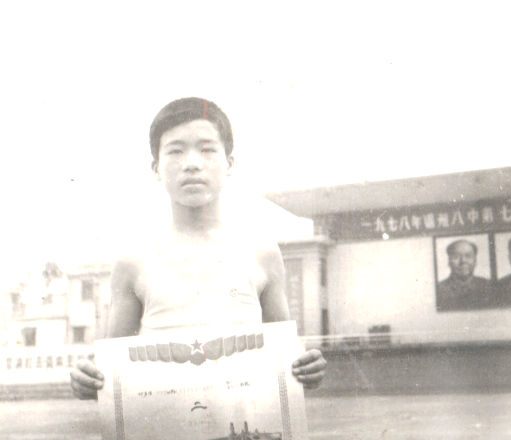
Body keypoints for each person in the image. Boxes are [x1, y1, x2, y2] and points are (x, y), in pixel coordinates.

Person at [70, 97, 327, 400]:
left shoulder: (261, 252)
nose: (192, 163)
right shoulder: (134, 260)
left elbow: (286, 354)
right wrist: (88, 381)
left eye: (207, 149)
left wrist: (307, 368)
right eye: (175, 151)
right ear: (156, 167)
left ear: (229, 163)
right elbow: (110, 371)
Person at [436, 239, 492, 311]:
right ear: (449, 262)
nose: (463, 261)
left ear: (475, 261)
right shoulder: (439, 290)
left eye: (468, 256)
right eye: (456, 256)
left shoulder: (488, 286)